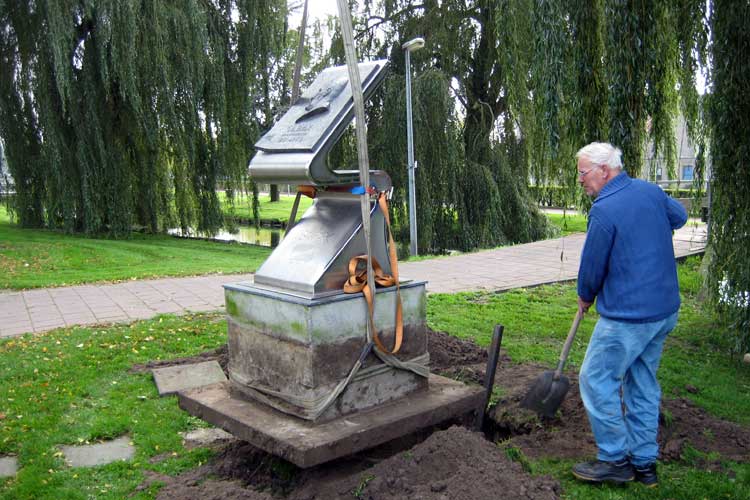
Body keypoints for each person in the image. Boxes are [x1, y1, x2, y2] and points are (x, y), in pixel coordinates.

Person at [571, 142, 687, 487]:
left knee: (595, 379)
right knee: (642, 382)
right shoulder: (650, 191)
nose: (579, 180)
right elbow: (679, 216)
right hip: (663, 311)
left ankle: (614, 460)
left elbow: (592, 265)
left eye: (582, 172)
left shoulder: (604, 209)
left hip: (629, 316)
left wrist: (584, 295)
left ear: (604, 171)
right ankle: (645, 465)